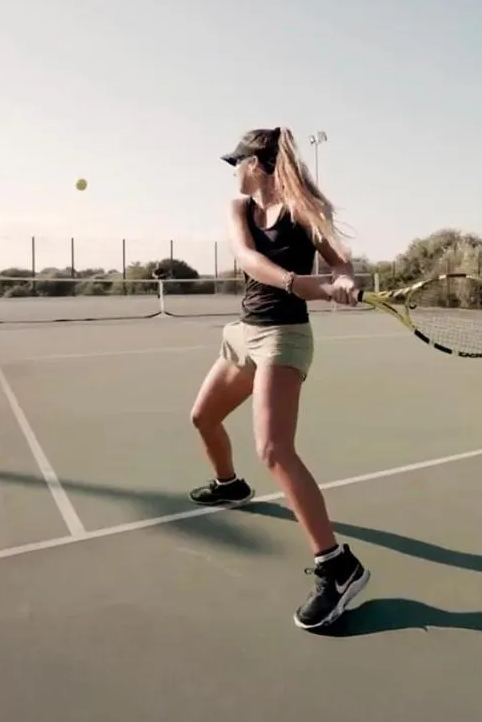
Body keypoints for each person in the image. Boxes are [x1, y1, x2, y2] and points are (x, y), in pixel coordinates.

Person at [187, 126, 371, 630]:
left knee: (274, 450)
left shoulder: (304, 211)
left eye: (239, 162)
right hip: (244, 333)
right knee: (203, 417)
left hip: (283, 339)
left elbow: (341, 261)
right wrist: (301, 283)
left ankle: (338, 568)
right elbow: (249, 260)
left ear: (259, 165)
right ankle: (230, 485)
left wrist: (345, 281)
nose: (235, 171)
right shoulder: (239, 209)